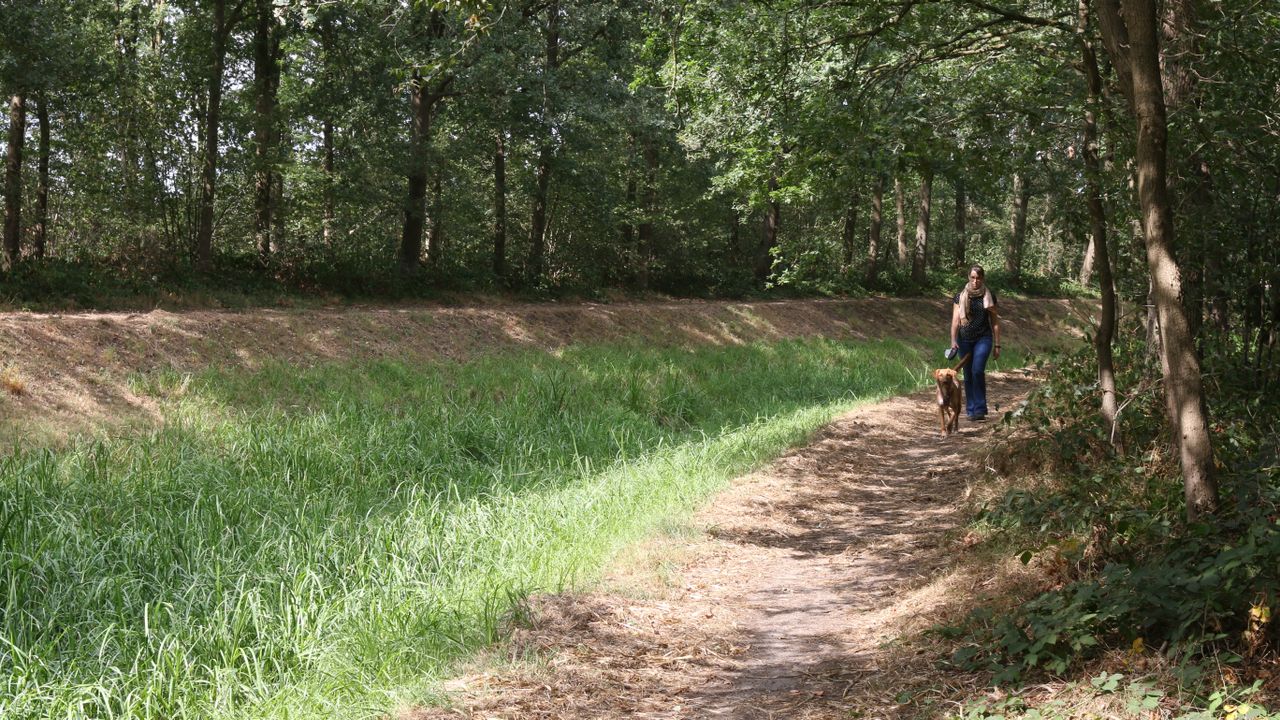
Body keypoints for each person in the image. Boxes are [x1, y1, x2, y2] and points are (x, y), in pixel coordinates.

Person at [950, 265, 1001, 421]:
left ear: (982, 278)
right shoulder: (960, 296)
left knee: (977, 370)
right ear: (968, 278)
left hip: (983, 338)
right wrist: (953, 340)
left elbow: (995, 322)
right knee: (967, 374)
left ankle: (980, 409)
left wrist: (997, 344)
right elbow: (955, 321)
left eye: (978, 278)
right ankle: (971, 410)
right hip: (964, 339)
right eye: (972, 277)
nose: (975, 281)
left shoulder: (989, 295)